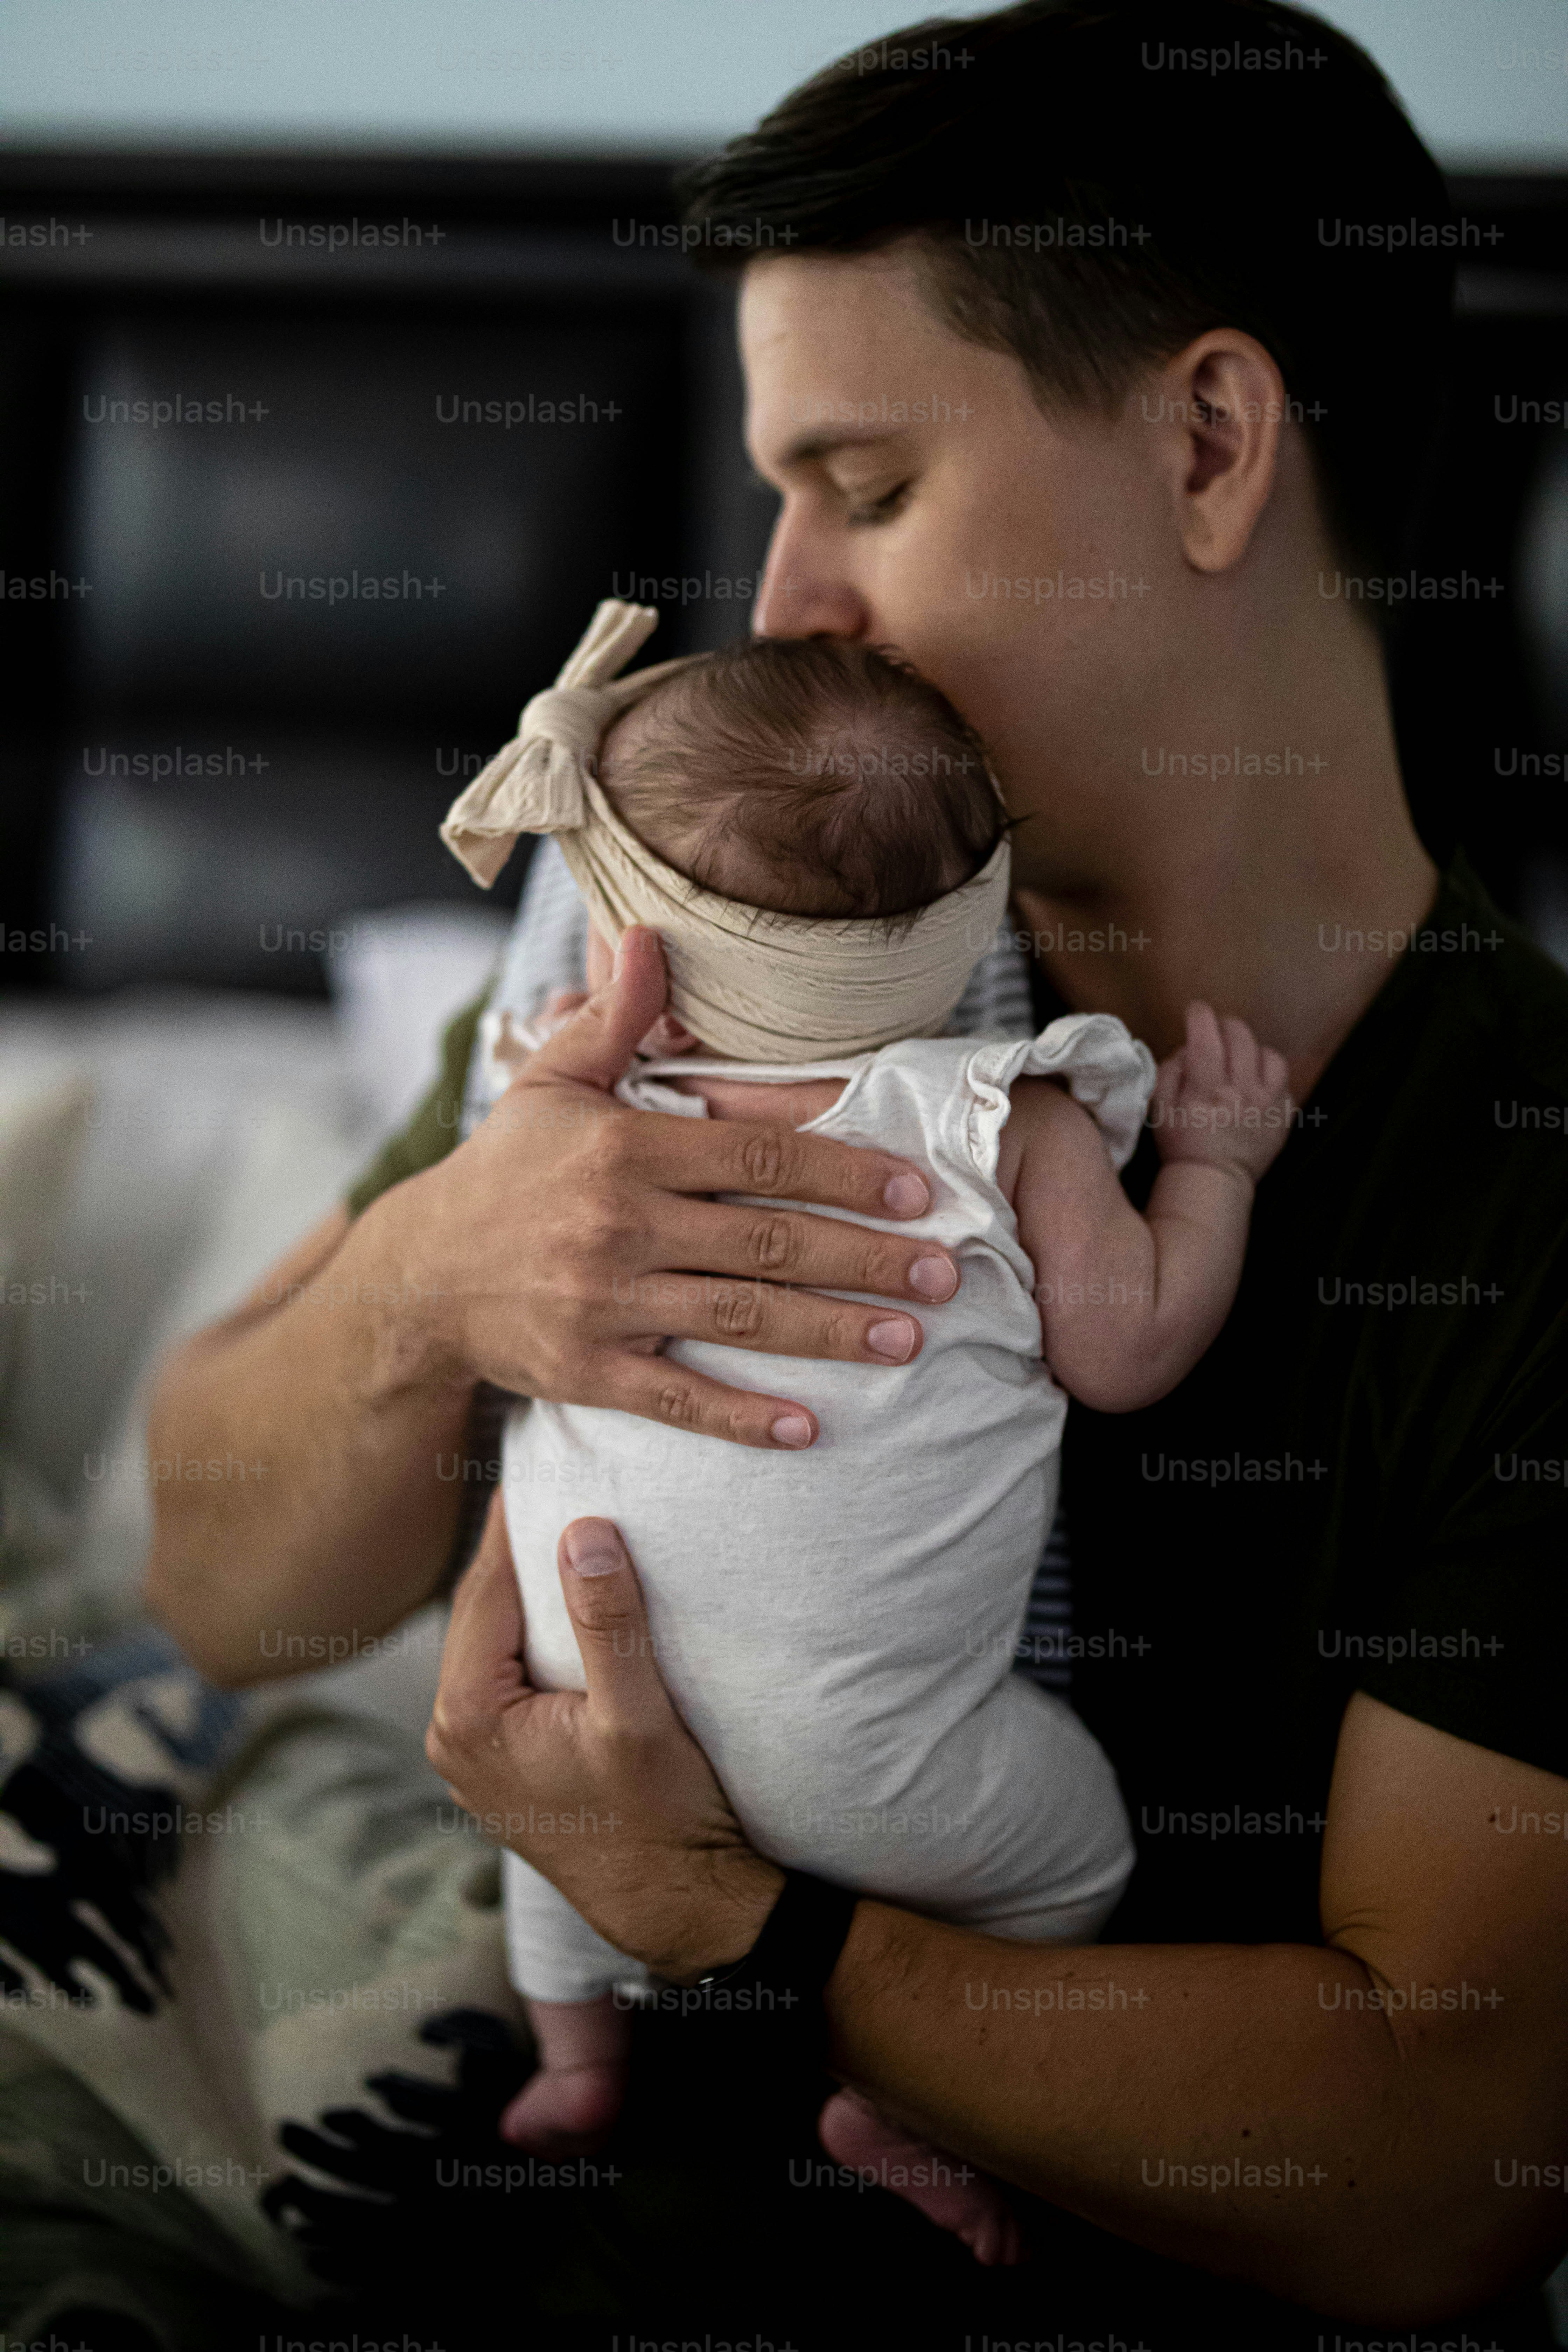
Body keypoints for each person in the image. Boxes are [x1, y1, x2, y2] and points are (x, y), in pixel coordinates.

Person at [148, 0, 1568, 2336]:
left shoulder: (1532, 1184)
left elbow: (1436, 2168)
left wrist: (750, 1921)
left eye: (868, 484)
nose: (783, 598)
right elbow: (217, 1594)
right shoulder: (715, 952)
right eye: (777, 494)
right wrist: (431, 1281)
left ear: (1211, 444)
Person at [462, 616, 1289, 2270]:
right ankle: (893, 2104)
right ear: (969, 915)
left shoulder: (577, 1131)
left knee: (545, 1823)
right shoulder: (1000, 1117)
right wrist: (1214, 1172)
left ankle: (573, 2057)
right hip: (878, 1781)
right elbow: (1124, 1353)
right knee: (1081, 1855)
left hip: (565, 1715)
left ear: (627, 949)